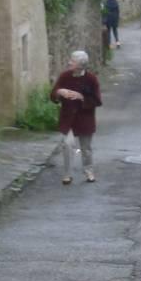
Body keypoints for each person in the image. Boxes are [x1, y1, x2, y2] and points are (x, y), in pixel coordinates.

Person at [51, 49, 102, 184]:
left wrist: (82, 97)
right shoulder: (65, 76)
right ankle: (67, 174)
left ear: (80, 65)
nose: (69, 63)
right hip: (68, 118)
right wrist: (59, 92)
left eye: (72, 61)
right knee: (67, 145)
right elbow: (53, 95)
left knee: (86, 148)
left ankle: (89, 171)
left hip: (85, 118)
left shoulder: (91, 79)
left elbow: (97, 101)